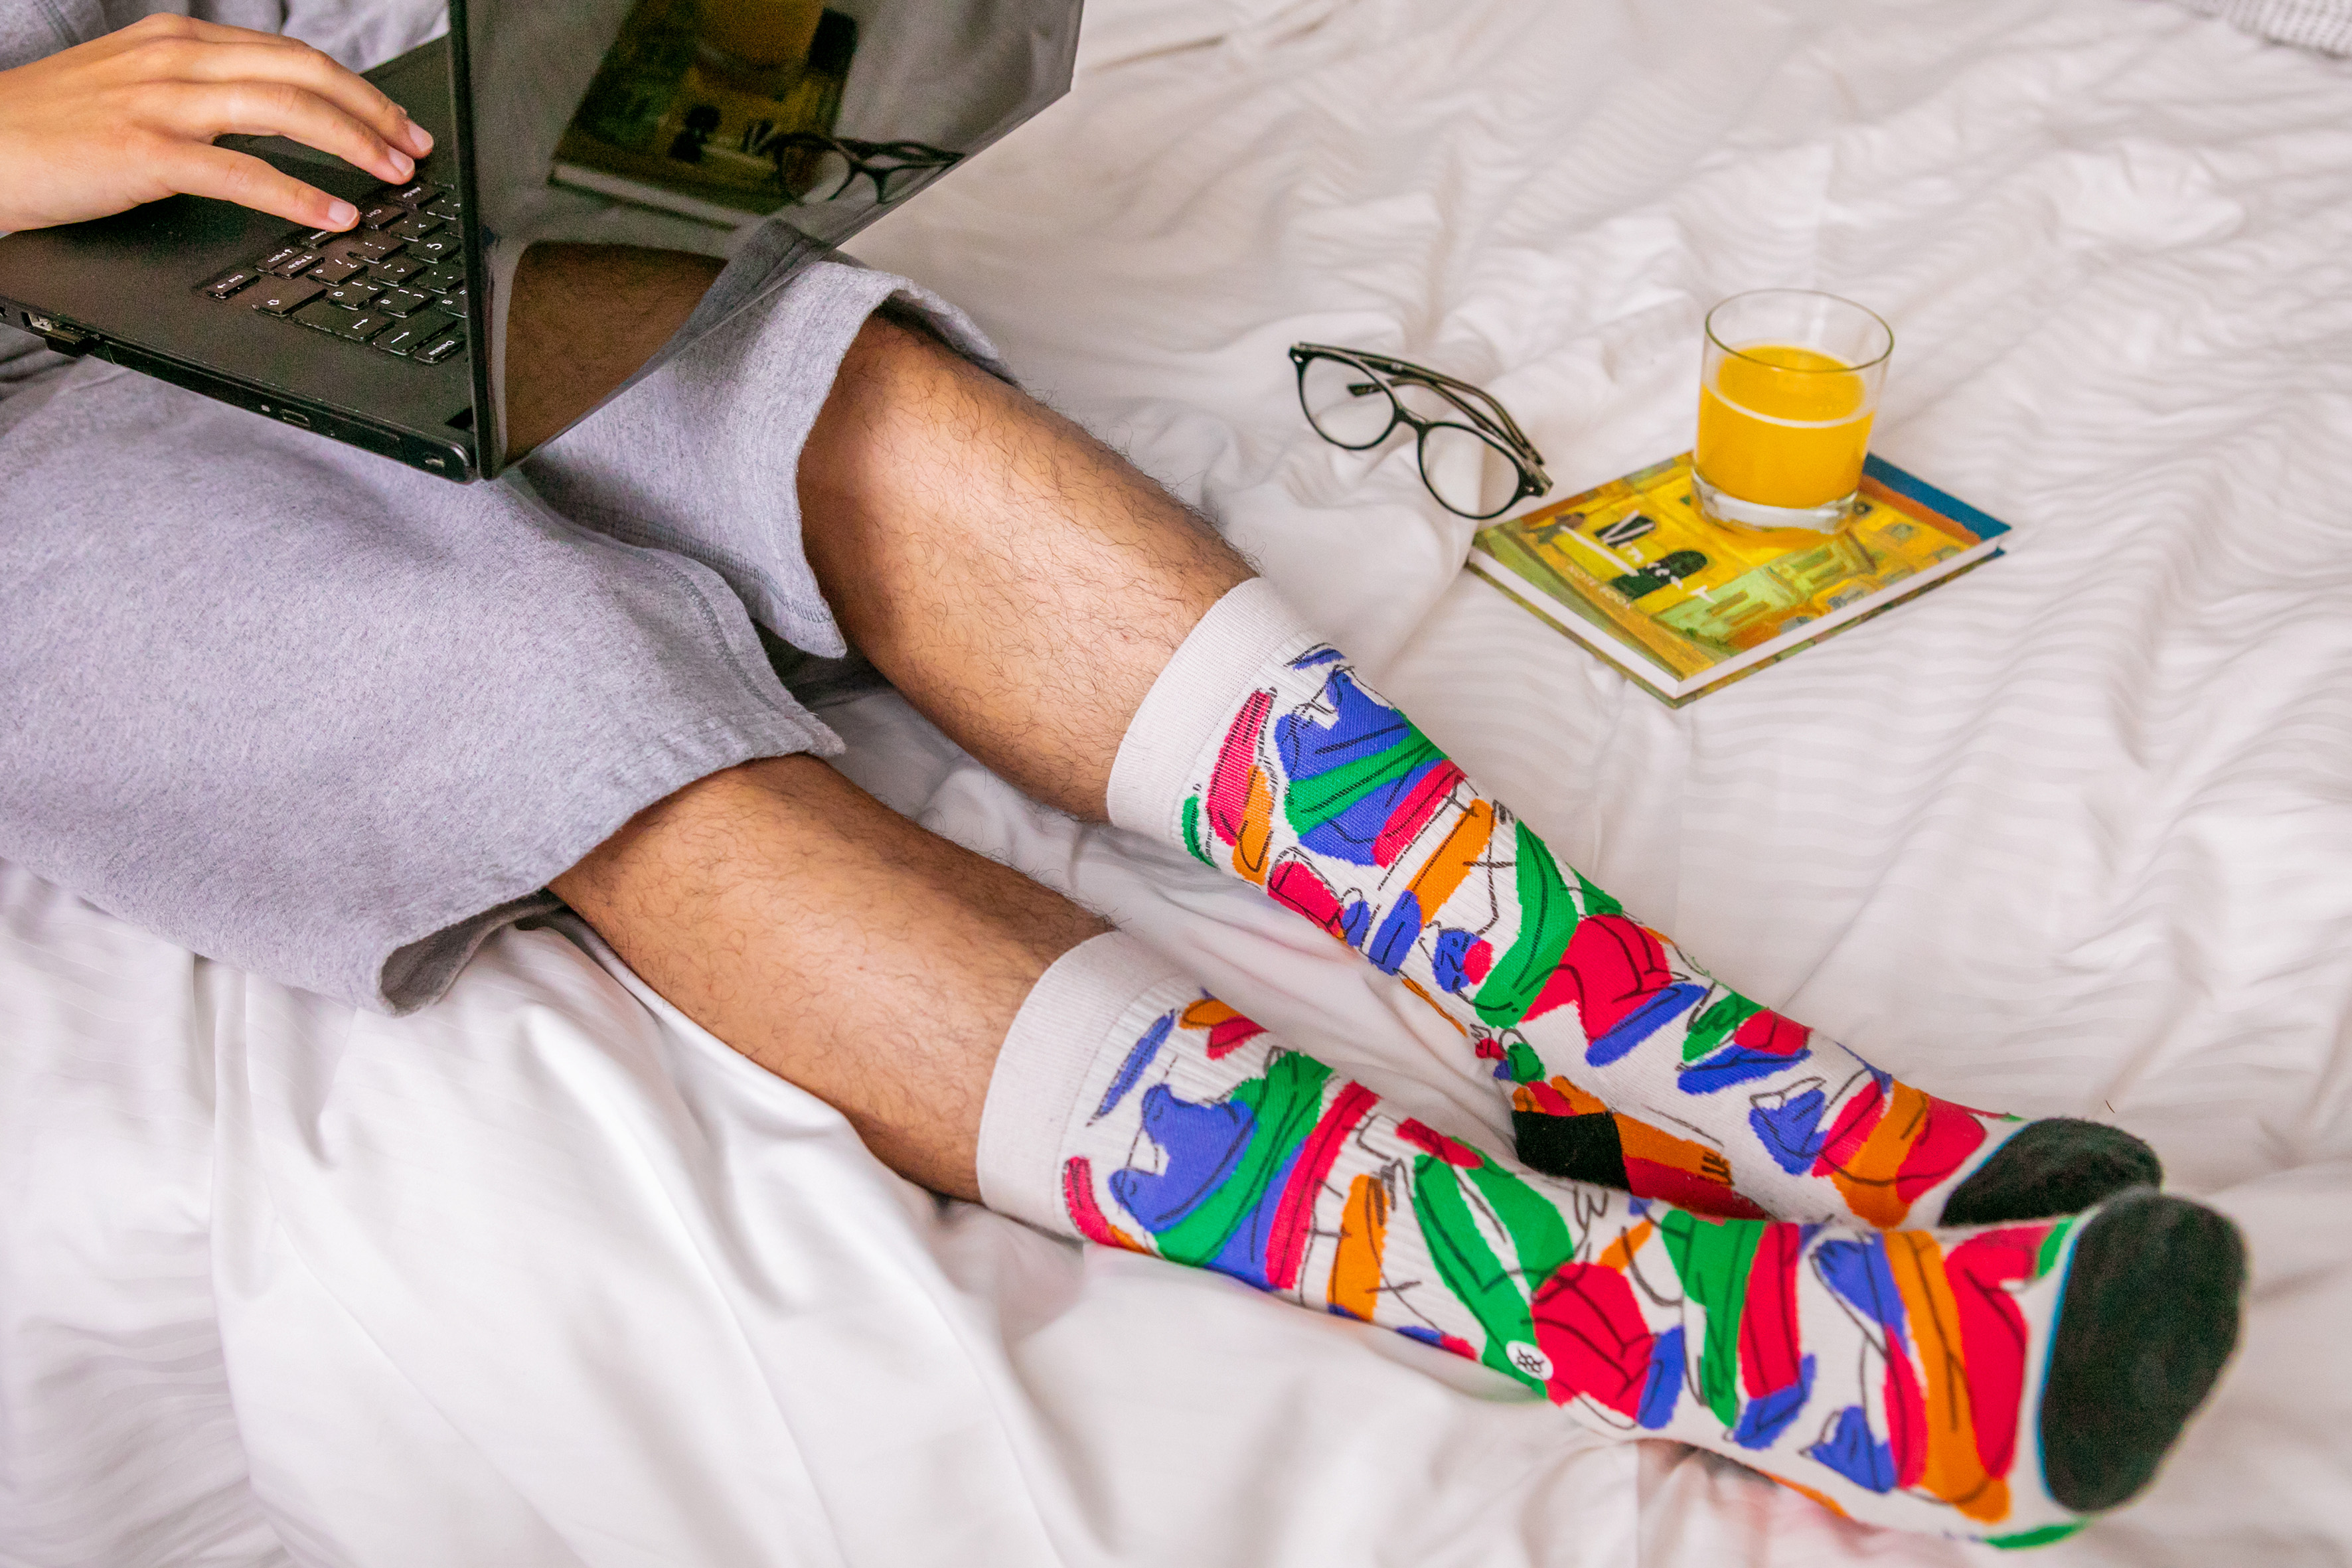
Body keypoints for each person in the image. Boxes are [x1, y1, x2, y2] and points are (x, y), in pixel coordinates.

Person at [0, 8, 2244, 1545]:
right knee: (513, 683)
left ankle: (1672, 1062)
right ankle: (1660, 1316)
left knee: (797, 379)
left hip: (257, 189)